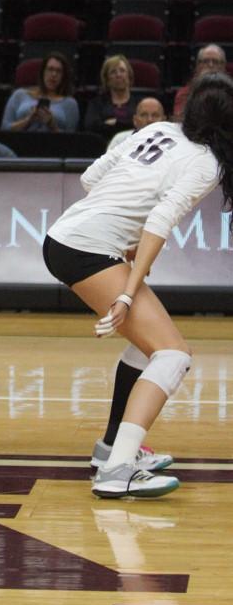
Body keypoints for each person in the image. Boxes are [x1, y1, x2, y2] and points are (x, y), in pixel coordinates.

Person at [43, 72, 233, 499]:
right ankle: (119, 469)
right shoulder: (206, 162)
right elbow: (159, 221)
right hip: (86, 248)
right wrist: (128, 290)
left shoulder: (161, 129)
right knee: (173, 355)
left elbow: (91, 178)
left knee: (147, 346)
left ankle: (111, 446)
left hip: (67, 235)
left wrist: (122, 236)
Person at [1, 52, 80, 133]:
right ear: (43, 72)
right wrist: (28, 120)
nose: (54, 74)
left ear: (63, 76)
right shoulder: (19, 94)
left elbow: (71, 140)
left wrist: (52, 126)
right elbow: (4, 129)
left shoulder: (70, 103)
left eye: (59, 71)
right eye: (50, 69)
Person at [84, 55, 139, 141]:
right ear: (106, 79)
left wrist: (115, 123)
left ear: (129, 75)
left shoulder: (140, 103)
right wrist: (127, 124)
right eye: (113, 72)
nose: (118, 75)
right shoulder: (96, 103)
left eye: (122, 70)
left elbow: (143, 125)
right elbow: (91, 126)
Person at [173, 44, 227, 120]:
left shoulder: (230, 92)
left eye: (215, 61)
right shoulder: (185, 93)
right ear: (198, 66)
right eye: (205, 61)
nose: (210, 65)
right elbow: (180, 120)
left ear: (223, 66)